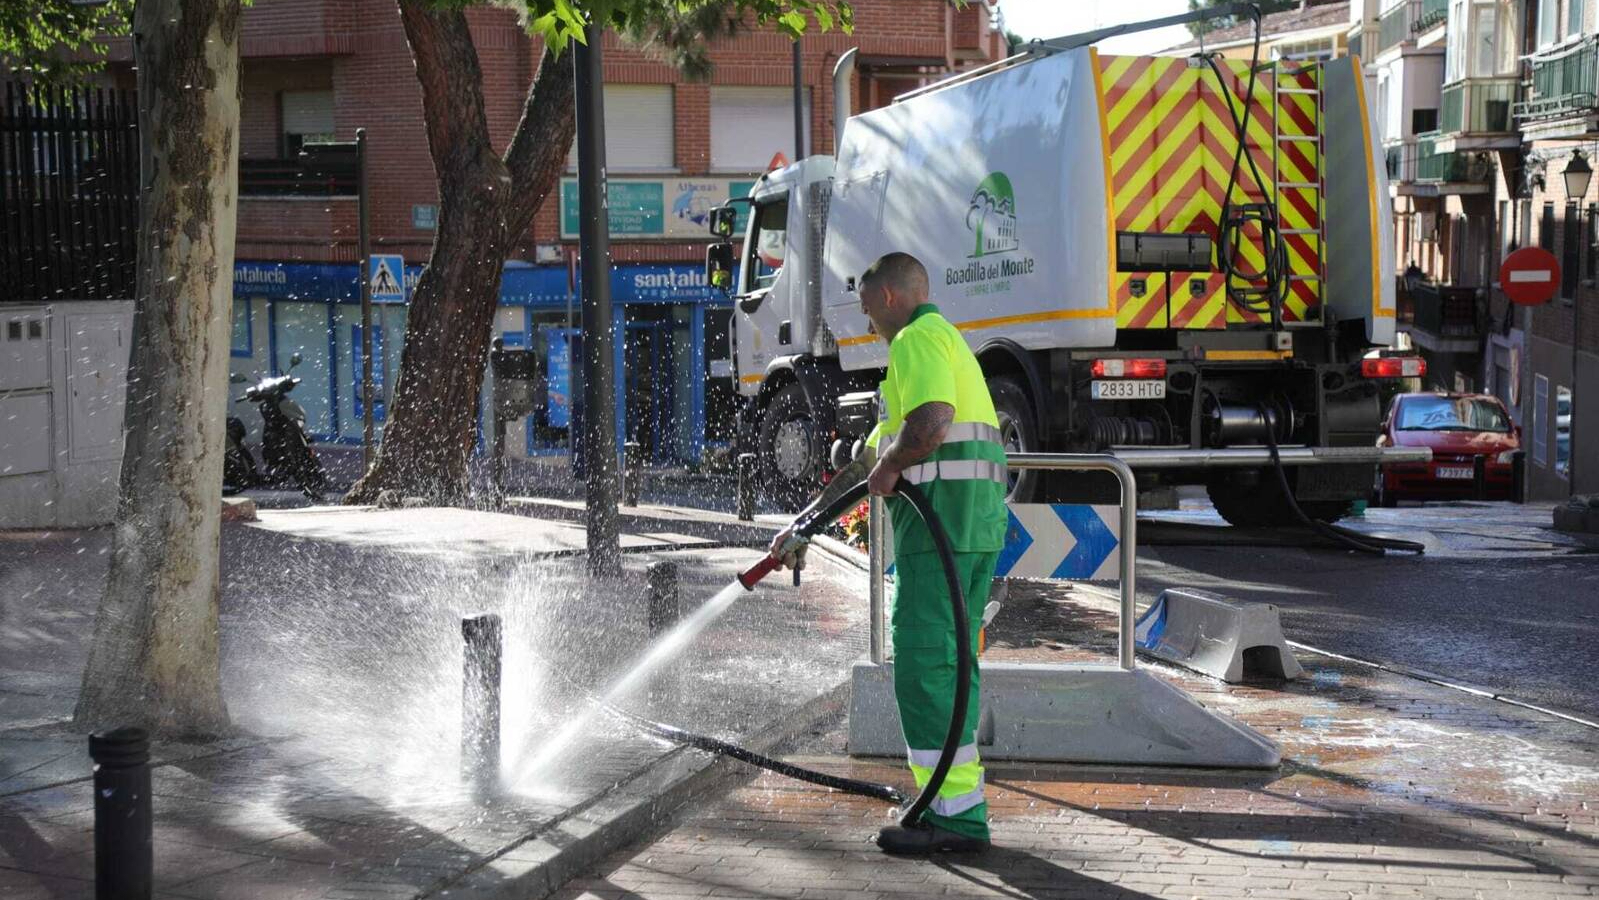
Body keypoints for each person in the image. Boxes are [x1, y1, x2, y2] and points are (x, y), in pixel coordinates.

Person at [769, 252, 1008, 854]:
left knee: (925, 669)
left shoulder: (916, 341)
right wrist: (802, 525)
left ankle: (951, 820)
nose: (868, 318)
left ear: (891, 298)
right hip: (971, 530)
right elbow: (864, 465)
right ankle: (954, 803)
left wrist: (896, 464)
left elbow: (928, 425)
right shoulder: (945, 346)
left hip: (939, 538)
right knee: (954, 669)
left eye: (870, 304)